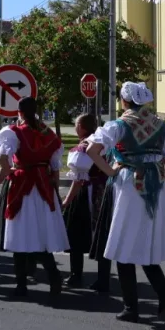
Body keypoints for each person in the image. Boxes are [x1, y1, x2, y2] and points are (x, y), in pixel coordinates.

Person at [85, 81, 165, 322]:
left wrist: (110, 171)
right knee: (145, 243)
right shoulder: (161, 126)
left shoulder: (118, 125)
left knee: (124, 243)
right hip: (156, 185)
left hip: (129, 184)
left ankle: (131, 307)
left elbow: (92, 151)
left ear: (124, 101)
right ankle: (164, 295)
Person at [0, 96, 68, 298]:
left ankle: (21, 285)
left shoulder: (13, 132)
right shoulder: (49, 134)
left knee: (20, 236)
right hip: (43, 187)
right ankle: (53, 277)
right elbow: (56, 167)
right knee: (42, 236)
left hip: (23, 185)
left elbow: (5, 162)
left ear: (19, 112)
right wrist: (54, 192)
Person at [63, 113, 111, 290]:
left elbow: (78, 179)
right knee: (101, 234)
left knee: (75, 233)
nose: (75, 128)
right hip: (104, 191)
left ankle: (76, 275)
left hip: (88, 193)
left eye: (76, 125)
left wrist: (67, 200)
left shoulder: (85, 146)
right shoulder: (103, 142)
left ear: (81, 127)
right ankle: (103, 278)